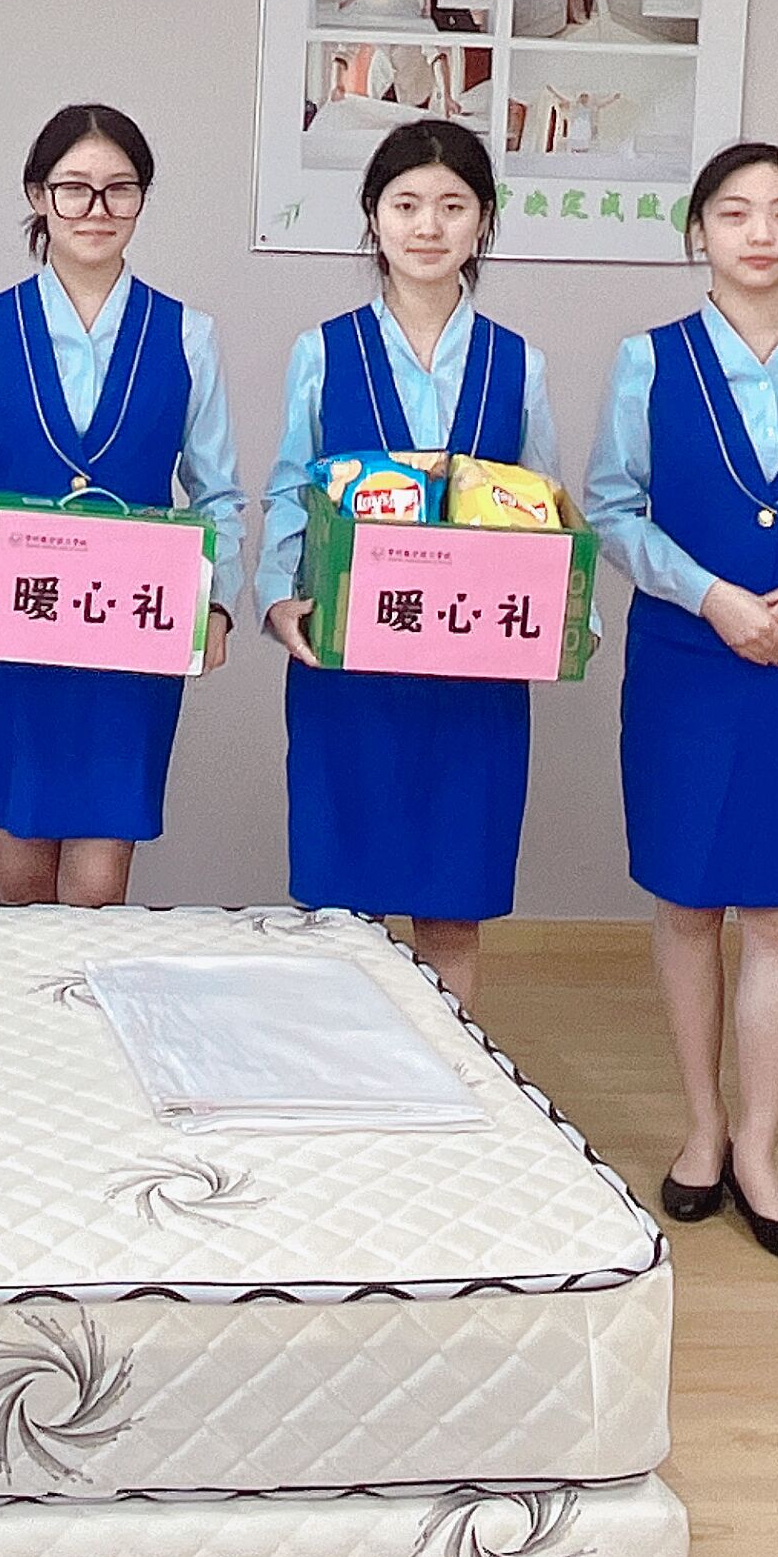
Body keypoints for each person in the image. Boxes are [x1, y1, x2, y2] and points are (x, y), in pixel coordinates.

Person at [582, 142, 778, 1263]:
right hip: (690, 661)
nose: (760, 233)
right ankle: (703, 1127)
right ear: (699, 234)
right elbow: (612, 509)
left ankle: (760, 1147)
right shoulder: (648, 361)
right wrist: (713, 597)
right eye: (734, 212)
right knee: (687, 904)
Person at [256, 118, 563, 1011]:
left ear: (483, 221)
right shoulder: (323, 350)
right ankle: (341, 1076)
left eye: (452, 206)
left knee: (453, 909)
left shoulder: (518, 362)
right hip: (349, 668)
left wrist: (561, 615)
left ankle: (449, 1075)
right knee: (342, 912)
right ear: (373, 216)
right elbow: (290, 489)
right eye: (406, 204)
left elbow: (546, 508)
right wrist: (278, 598)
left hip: (472, 680)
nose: (428, 226)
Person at [0, 106, 248, 907]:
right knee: (21, 886)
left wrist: (218, 605)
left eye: (118, 189)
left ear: (142, 199)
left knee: (99, 890)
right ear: (39, 196)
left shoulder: (187, 334)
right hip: (12, 631)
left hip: (133, 635)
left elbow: (218, 490)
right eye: (74, 188)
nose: (97, 209)